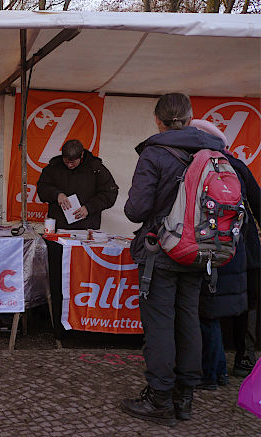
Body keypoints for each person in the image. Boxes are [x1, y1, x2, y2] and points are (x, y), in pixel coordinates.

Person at [121, 94, 227, 426]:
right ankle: (185, 399)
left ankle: (160, 401)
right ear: (192, 117)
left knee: (160, 327)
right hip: (200, 252)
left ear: (158, 120)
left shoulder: (155, 153)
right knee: (189, 323)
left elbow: (135, 209)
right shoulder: (213, 152)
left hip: (161, 251)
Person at [189, 120, 261, 389]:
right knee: (241, 306)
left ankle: (222, 367)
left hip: (217, 248)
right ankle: (240, 360)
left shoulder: (203, 166)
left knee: (215, 310)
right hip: (243, 248)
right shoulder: (236, 166)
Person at [36, 139, 118, 231]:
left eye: (73, 162)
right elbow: (42, 187)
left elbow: (110, 193)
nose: (69, 165)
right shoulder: (54, 167)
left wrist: (89, 208)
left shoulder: (96, 168)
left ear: (81, 155)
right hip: (58, 227)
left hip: (87, 228)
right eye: (66, 161)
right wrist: (56, 194)